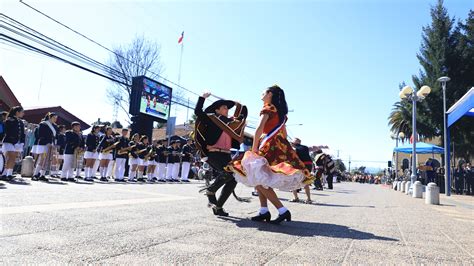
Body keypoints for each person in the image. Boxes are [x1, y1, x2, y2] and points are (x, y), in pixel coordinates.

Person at [227, 85, 314, 224]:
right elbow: (284, 134)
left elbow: (259, 129)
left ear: (270, 94)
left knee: (259, 179)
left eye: (263, 92)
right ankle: (263, 211)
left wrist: (254, 149)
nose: (261, 94)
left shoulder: (268, 107)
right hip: (277, 145)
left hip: (267, 145)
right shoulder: (281, 114)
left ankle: (282, 210)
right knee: (260, 179)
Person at [193, 91, 249, 216]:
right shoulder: (211, 119)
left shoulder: (230, 123)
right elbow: (198, 112)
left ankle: (218, 207)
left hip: (226, 154)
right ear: (217, 110)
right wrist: (202, 98)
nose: (227, 109)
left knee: (233, 179)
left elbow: (242, 116)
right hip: (213, 153)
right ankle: (211, 190)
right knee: (228, 173)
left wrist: (239, 105)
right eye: (224, 107)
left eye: (228, 108)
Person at [32, 112, 59, 182]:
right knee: (42, 159)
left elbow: (55, 136)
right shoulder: (43, 124)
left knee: (47, 160)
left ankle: (42, 175)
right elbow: (40, 134)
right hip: (44, 145)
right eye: (54, 118)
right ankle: (35, 174)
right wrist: (47, 142)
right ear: (50, 117)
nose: (55, 119)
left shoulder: (55, 126)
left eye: (56, 118)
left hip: (51, 145)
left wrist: (53, 144)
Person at [1, 106, 26, 181]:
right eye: (22, 112)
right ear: (17, 112)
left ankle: (8, 174)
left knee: (13, 158)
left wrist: (22, 142)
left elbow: (22, 133)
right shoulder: (9, 120)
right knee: (9, 157)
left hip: (16, 143)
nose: (23, 114)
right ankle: (4, 173)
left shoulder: (20, 122)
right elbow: (6, 132)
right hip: (8, 141)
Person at [290, 138, 313, 204]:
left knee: (293, 180)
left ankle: (296, 198)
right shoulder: (305, 147)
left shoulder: (294, 149)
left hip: (301, 165)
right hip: (309, 165)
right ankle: (309, 199)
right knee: (306, 181)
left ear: (294, 143)